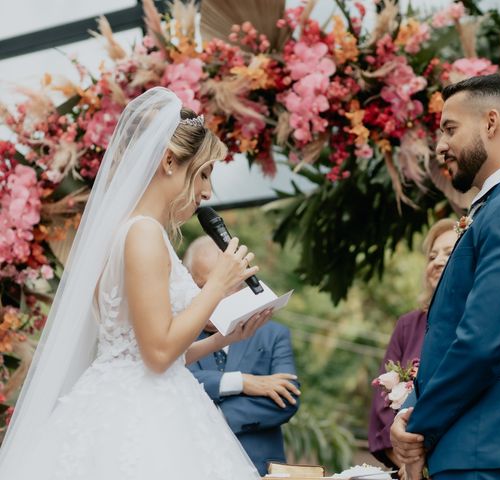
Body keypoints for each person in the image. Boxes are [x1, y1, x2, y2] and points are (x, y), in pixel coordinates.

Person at [0, 87, 271, 479]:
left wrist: (221, 341)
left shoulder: (132, 232)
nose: (208, 191)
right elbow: (157, 355)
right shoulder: (142, 233)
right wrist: (217, 286)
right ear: (168, 162)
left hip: (132, 391)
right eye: (204, 173)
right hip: (141, 414)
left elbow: (144, 350)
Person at [390, 74, 500, 480]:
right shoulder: (497, 205)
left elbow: (481, 342)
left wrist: (418, 430)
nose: (440, 145)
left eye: (450, 129)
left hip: (488, 447)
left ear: (491, 123)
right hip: (470, 446)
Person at [184, 236, 300, 475]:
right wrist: (243, 382)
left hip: (257, 468)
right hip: (193, 466)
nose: (211, 296)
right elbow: (179, 382)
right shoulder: (177, 334)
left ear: (239, 288)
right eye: (201, 286)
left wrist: (218, 415)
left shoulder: (273, 335)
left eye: (222, 288)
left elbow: (287, 397)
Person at [368, 218, 457, 472]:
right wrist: (409, 461)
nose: (437, 261)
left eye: (449, 253)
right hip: (406, 463)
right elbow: (383, 404)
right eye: (432, 256)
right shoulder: (408, 324)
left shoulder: (476, 323)